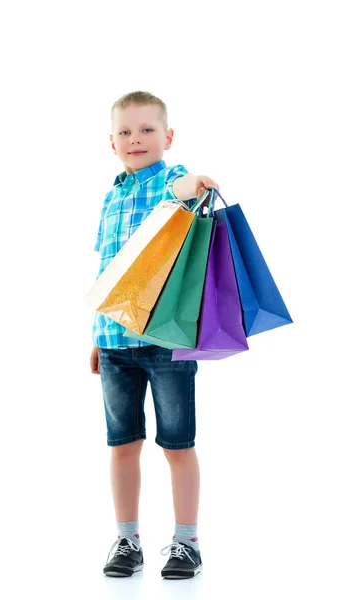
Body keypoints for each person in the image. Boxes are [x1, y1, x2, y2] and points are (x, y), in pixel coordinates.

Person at [89, 90, 219, 579]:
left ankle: (187, 542)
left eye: (146, 130)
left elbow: (182, 189)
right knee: (122, 442)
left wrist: (196, 184)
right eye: (125, 131)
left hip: (165, 339)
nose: (135, 139)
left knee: (177, 444)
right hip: (114, 340)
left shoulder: (168, 179)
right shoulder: (112, 194)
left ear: (167, 137)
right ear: (112, 142)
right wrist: (96, 337)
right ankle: (127, 538)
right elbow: (107, 271)